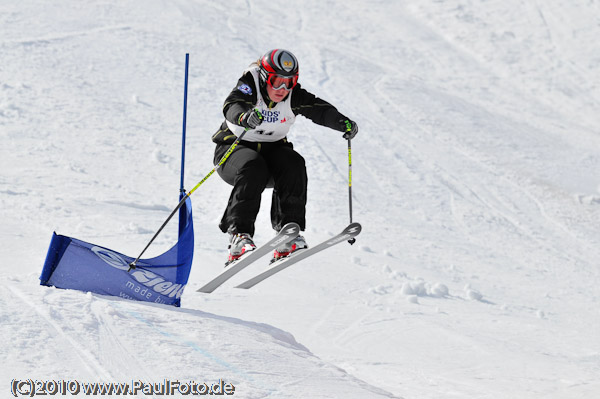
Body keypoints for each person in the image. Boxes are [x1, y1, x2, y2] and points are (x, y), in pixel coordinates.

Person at [211, 49, 358, 264]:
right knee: (253, 166)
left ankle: (288, 234)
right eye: (276, 81)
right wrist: (244, 116)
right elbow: (232, 104)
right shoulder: (249, 85)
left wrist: (342, 122)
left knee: (294, 163)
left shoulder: (293, 94)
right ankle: (239, 236)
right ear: (264, 77)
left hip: (271, 151)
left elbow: (319, 110)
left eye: (289, 82)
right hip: (233, 152)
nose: (282, 88)